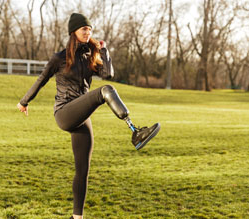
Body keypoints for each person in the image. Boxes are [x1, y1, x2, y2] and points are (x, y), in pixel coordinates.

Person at [17, 13, 160, 219]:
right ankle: (135, 130)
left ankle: (77, 217)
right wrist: (24, 102)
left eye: (90, 29)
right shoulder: (59, 58)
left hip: (81, 117)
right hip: (65, 112)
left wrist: (104, 51)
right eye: (84, 29)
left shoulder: (89, 56)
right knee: (105, 91)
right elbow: (41, 79)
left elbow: (108, 74)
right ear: (73, 32)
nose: (88, 32)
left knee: (82, 170)